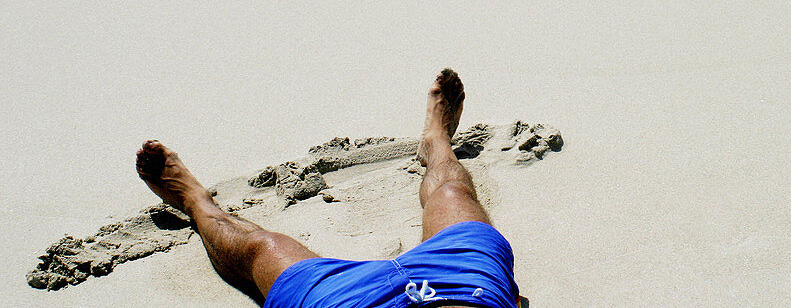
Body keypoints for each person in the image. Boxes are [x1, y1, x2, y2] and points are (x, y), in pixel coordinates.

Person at [136, 69, 520, 308]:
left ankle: (194, 201)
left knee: (262, 250)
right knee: (452, 194)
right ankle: (436, 143)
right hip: (464, 291)